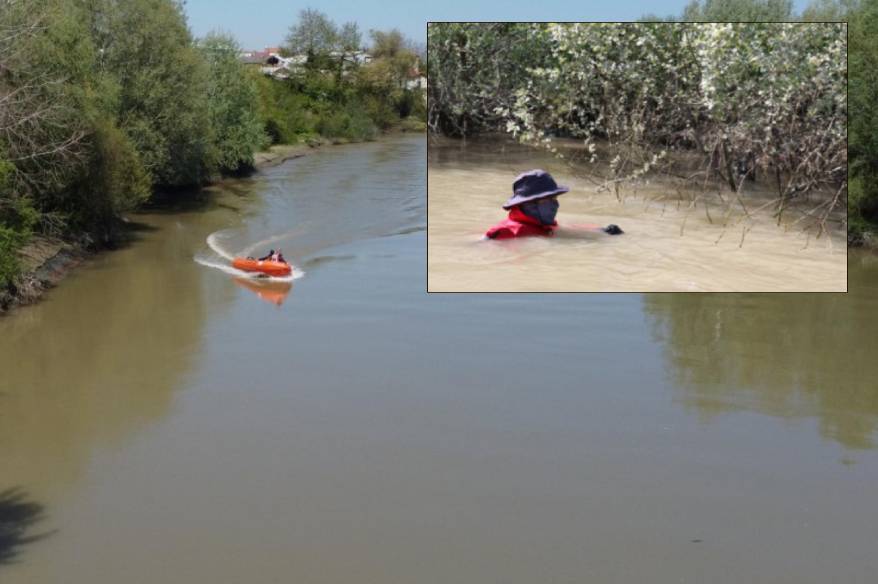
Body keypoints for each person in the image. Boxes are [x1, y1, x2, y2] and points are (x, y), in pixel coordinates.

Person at [484, 169, 623, 239]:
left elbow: (566, 229)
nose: (555, 205)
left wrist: (601, 230)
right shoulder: (505, 232)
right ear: (529, 204)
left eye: (555, 199)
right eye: (549, 200)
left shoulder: (541, 223)